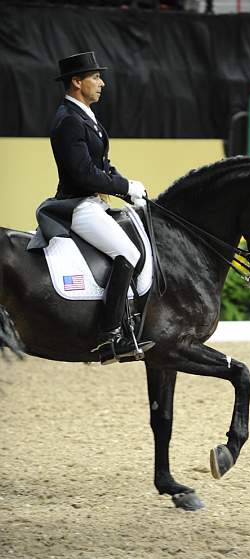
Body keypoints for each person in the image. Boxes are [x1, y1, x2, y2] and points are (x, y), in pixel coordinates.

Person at [27, 51, 154, 365]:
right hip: (78, 205)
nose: (102, 83)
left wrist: (127, 186)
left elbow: (102, 166)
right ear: (76, 82)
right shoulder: (68, 119)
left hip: (93, 201)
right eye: (95, 77)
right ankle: (110, 335)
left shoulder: (83, 115)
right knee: (128, 254)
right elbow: (83, 173)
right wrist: (124, 188)